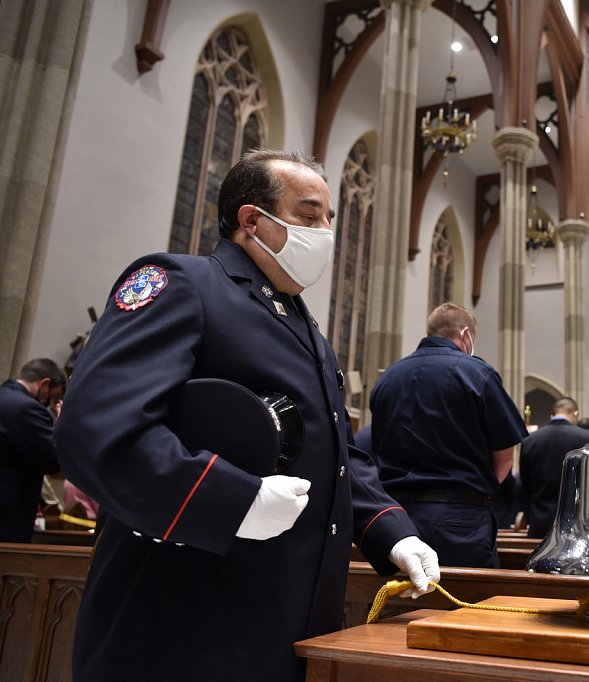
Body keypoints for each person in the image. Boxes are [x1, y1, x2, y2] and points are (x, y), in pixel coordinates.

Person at [54, 149, 439, 682]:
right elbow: (98, 429)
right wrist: (233, 500)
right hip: (182, 619)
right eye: (309, 216)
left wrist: (390, 531)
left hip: (285, 618)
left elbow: (335, 452)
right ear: (252, 220)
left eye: (329, 218)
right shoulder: (182, 284)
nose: (325, 231)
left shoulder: (307, 330)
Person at [370, 302, 528, 568]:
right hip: (460, 521)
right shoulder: (477, 373)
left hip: (396, 520)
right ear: (465, 335)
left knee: (400, 605)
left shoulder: (388, 378)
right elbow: (504, 458)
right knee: (470, 604)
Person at [0, 358, 66, 542]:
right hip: (8, 514)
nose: (49, 405)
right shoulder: (28, 409)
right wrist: (60, 428)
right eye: (52, 397)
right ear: (44, 383)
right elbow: (53, 461)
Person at [519, 397, 589, 539]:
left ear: (552, 415)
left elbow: (525, 485)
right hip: (579, 525)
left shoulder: (530, 441)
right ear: (575, 414)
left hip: (541, 524)